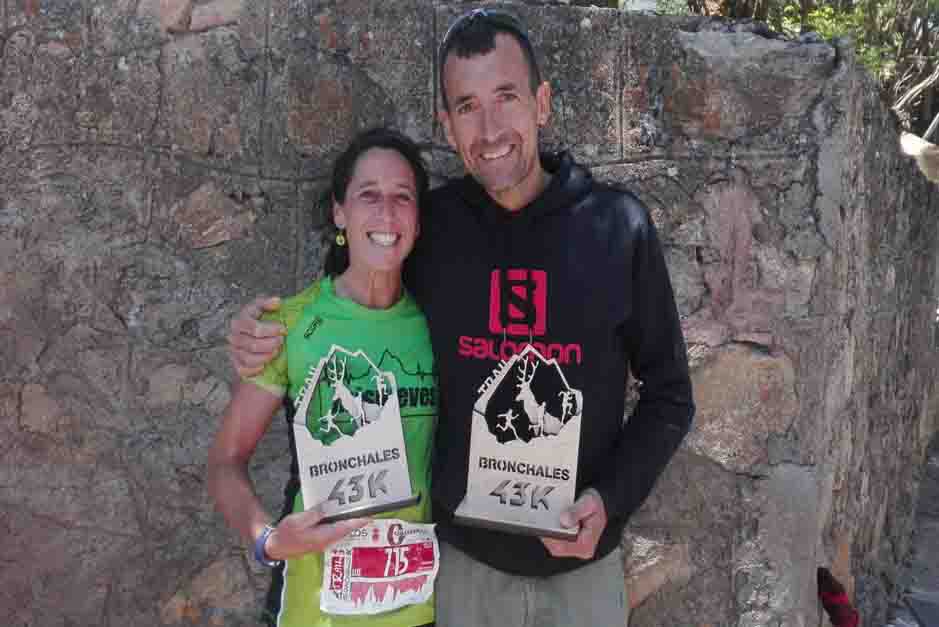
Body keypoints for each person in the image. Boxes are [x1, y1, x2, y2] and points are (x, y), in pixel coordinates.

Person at [229, 9, 695, 627]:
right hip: (460, 572)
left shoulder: (618, 227)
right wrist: (258, 329)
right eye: (468, 106)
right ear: (447, 126)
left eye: (506, 97)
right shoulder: (433, 229)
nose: (491, 127)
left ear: (542, 103)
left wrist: (609, 501)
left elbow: (670, 395)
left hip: (583, 569)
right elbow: (355, 295)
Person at [209, 127, 437, 627]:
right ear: (339, 212)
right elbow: (225, 460)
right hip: (313, 610)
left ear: (418, 220)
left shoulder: (437, 326)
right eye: (368, 195)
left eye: (402, 197)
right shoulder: (291, 323)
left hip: (416, 609)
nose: (386, 213)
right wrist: (268, 540)